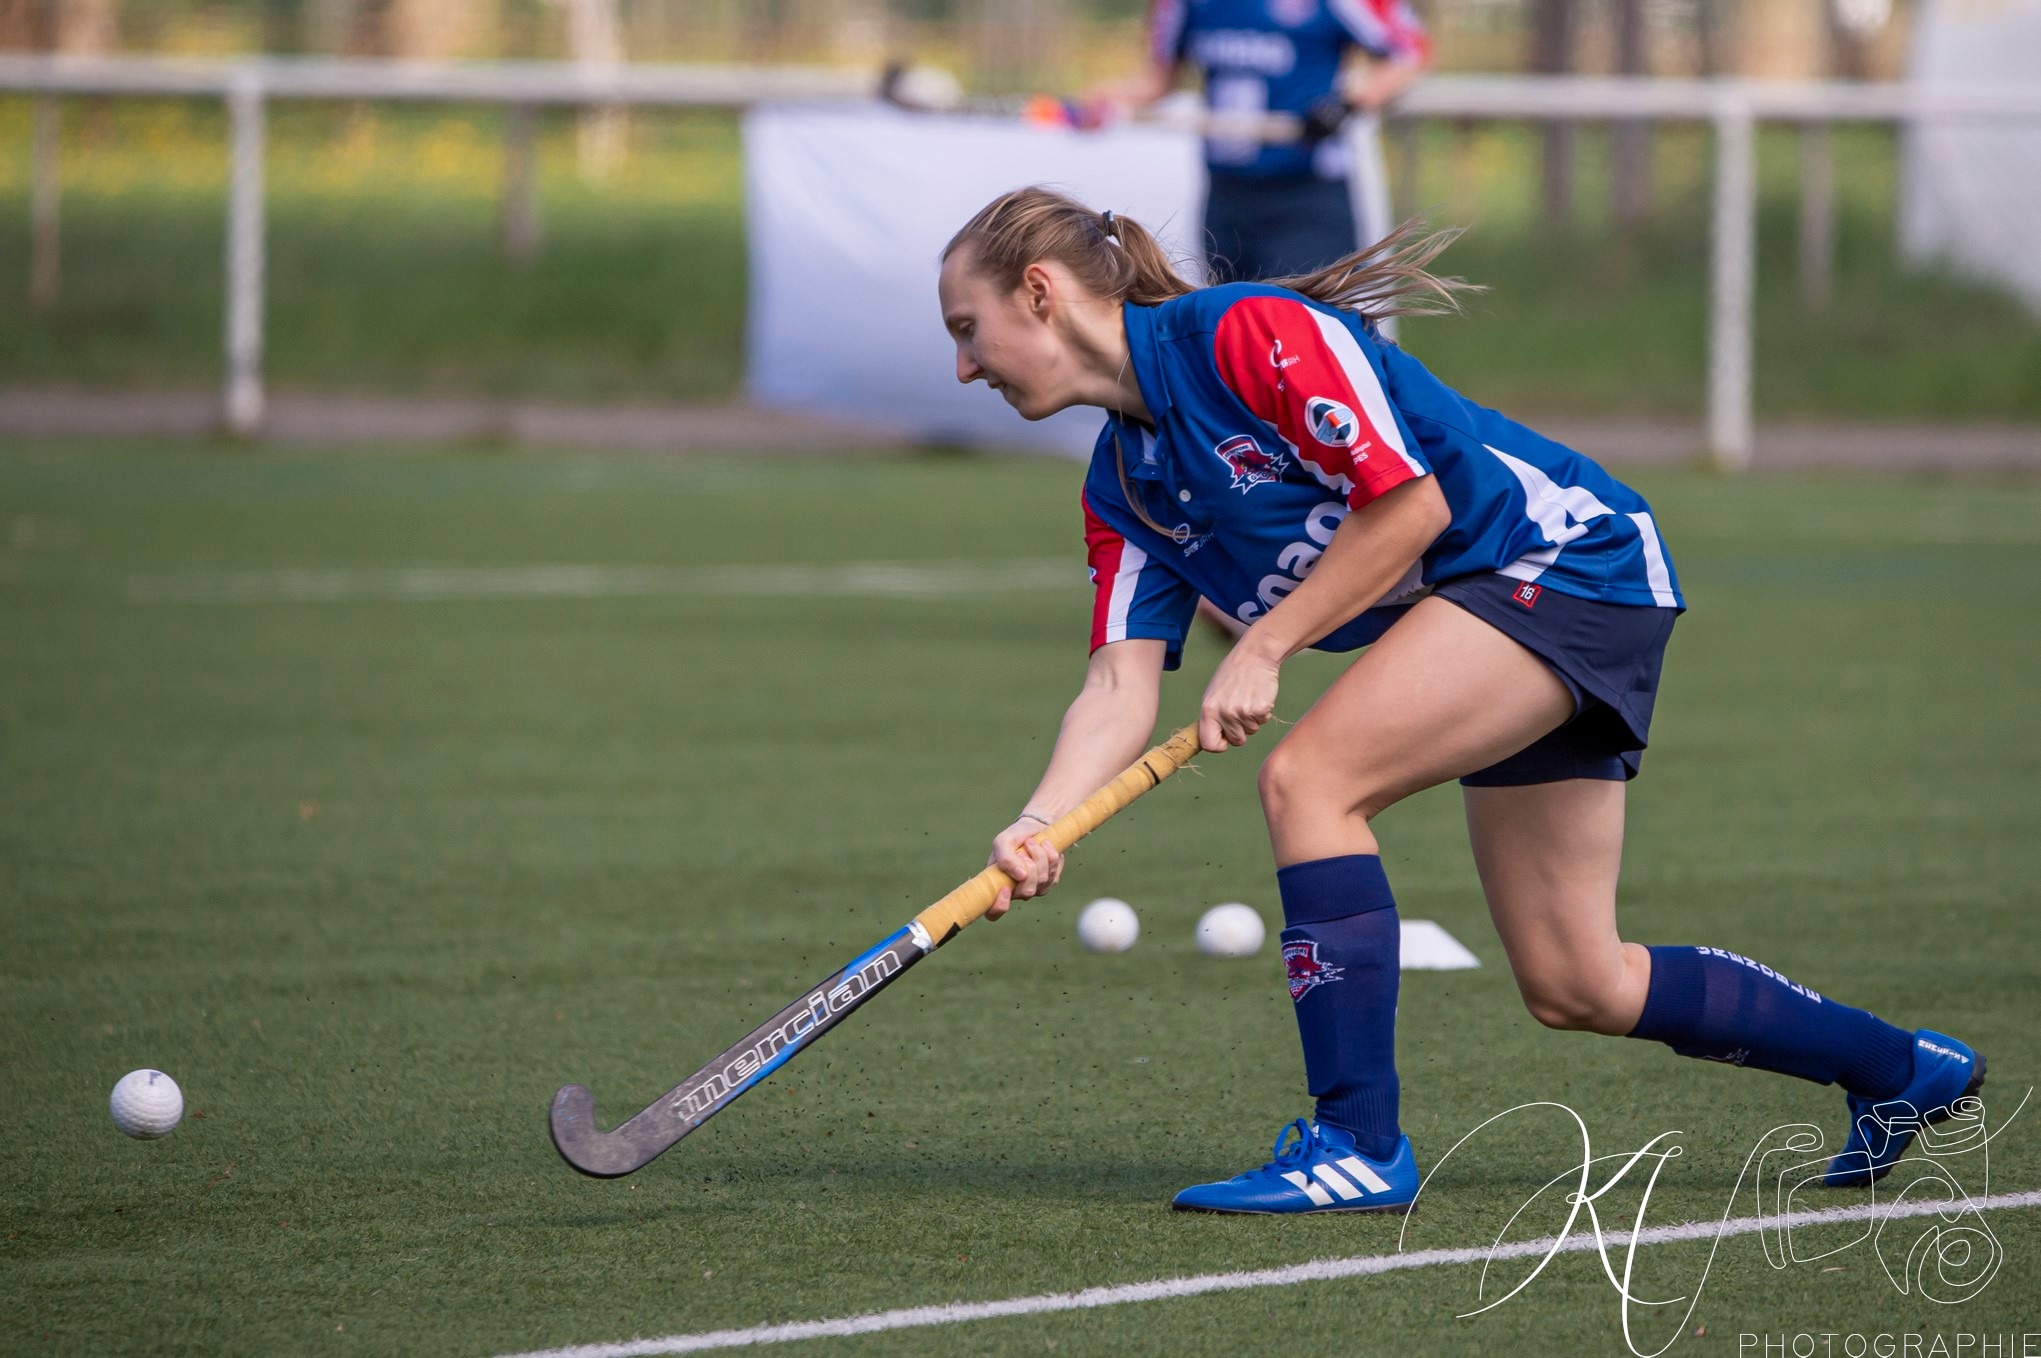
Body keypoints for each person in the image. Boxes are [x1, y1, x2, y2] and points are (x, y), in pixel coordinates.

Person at [934, 186, 1985, 1214]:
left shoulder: (1242, 333)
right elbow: (1117, 681)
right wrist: (1040, 820)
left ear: (1040, 291)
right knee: (1577, 982)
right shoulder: (1125, 485)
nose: (964, 366)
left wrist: (1263, 644)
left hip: (1566, 563)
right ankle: (1901, 1068)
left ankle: (1355, 1142)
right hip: (1490, 609)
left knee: (1310, 782)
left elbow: (1409, 506)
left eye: (968, 329)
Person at [1110, 0, 1431, 285]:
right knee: (1229, 322)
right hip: (1227, 199)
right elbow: (1157, 80)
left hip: (1307, 196)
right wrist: (1106, 102)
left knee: (1303, 321)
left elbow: (1409, 50)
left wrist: (1347, 103)